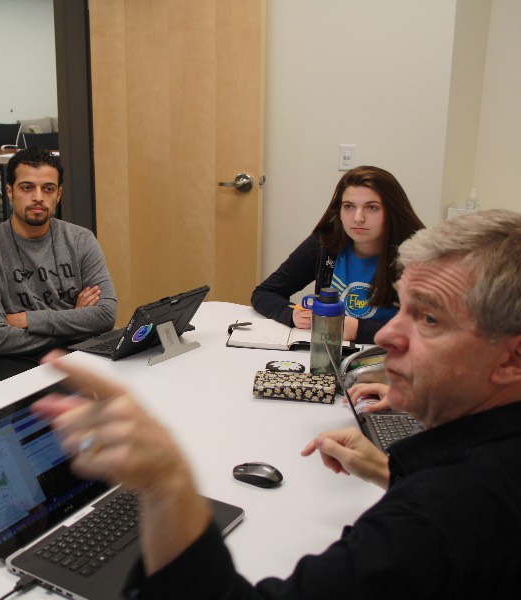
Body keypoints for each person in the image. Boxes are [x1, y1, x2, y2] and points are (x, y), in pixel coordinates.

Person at [34, 209, 521, 599]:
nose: (390, 334)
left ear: (511, 358)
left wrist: (168, 486)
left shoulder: (439, 518)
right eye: (403, 309)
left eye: (429, 320)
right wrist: (392, 473)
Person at [0, 148, 117, 388]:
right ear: (9, 192)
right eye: (27, 188)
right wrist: (75, 322)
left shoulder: (80, 240)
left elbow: (106, 314)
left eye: (48, 188)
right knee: (69, 405)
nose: (38, 197)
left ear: (58, 194)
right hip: (10, 360)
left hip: (73, 349)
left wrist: (29, 319)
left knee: (137, 378)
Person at [251, 166, 424, 344]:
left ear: (392, 212)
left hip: (388, 359)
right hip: (328, 354)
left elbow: (430, 328)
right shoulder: (324, 244)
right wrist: (290, 314)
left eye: (372, 207)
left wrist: (359, 330)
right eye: (349, 206)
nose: (358, 218)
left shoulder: (417, 256)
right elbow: (265, 292)